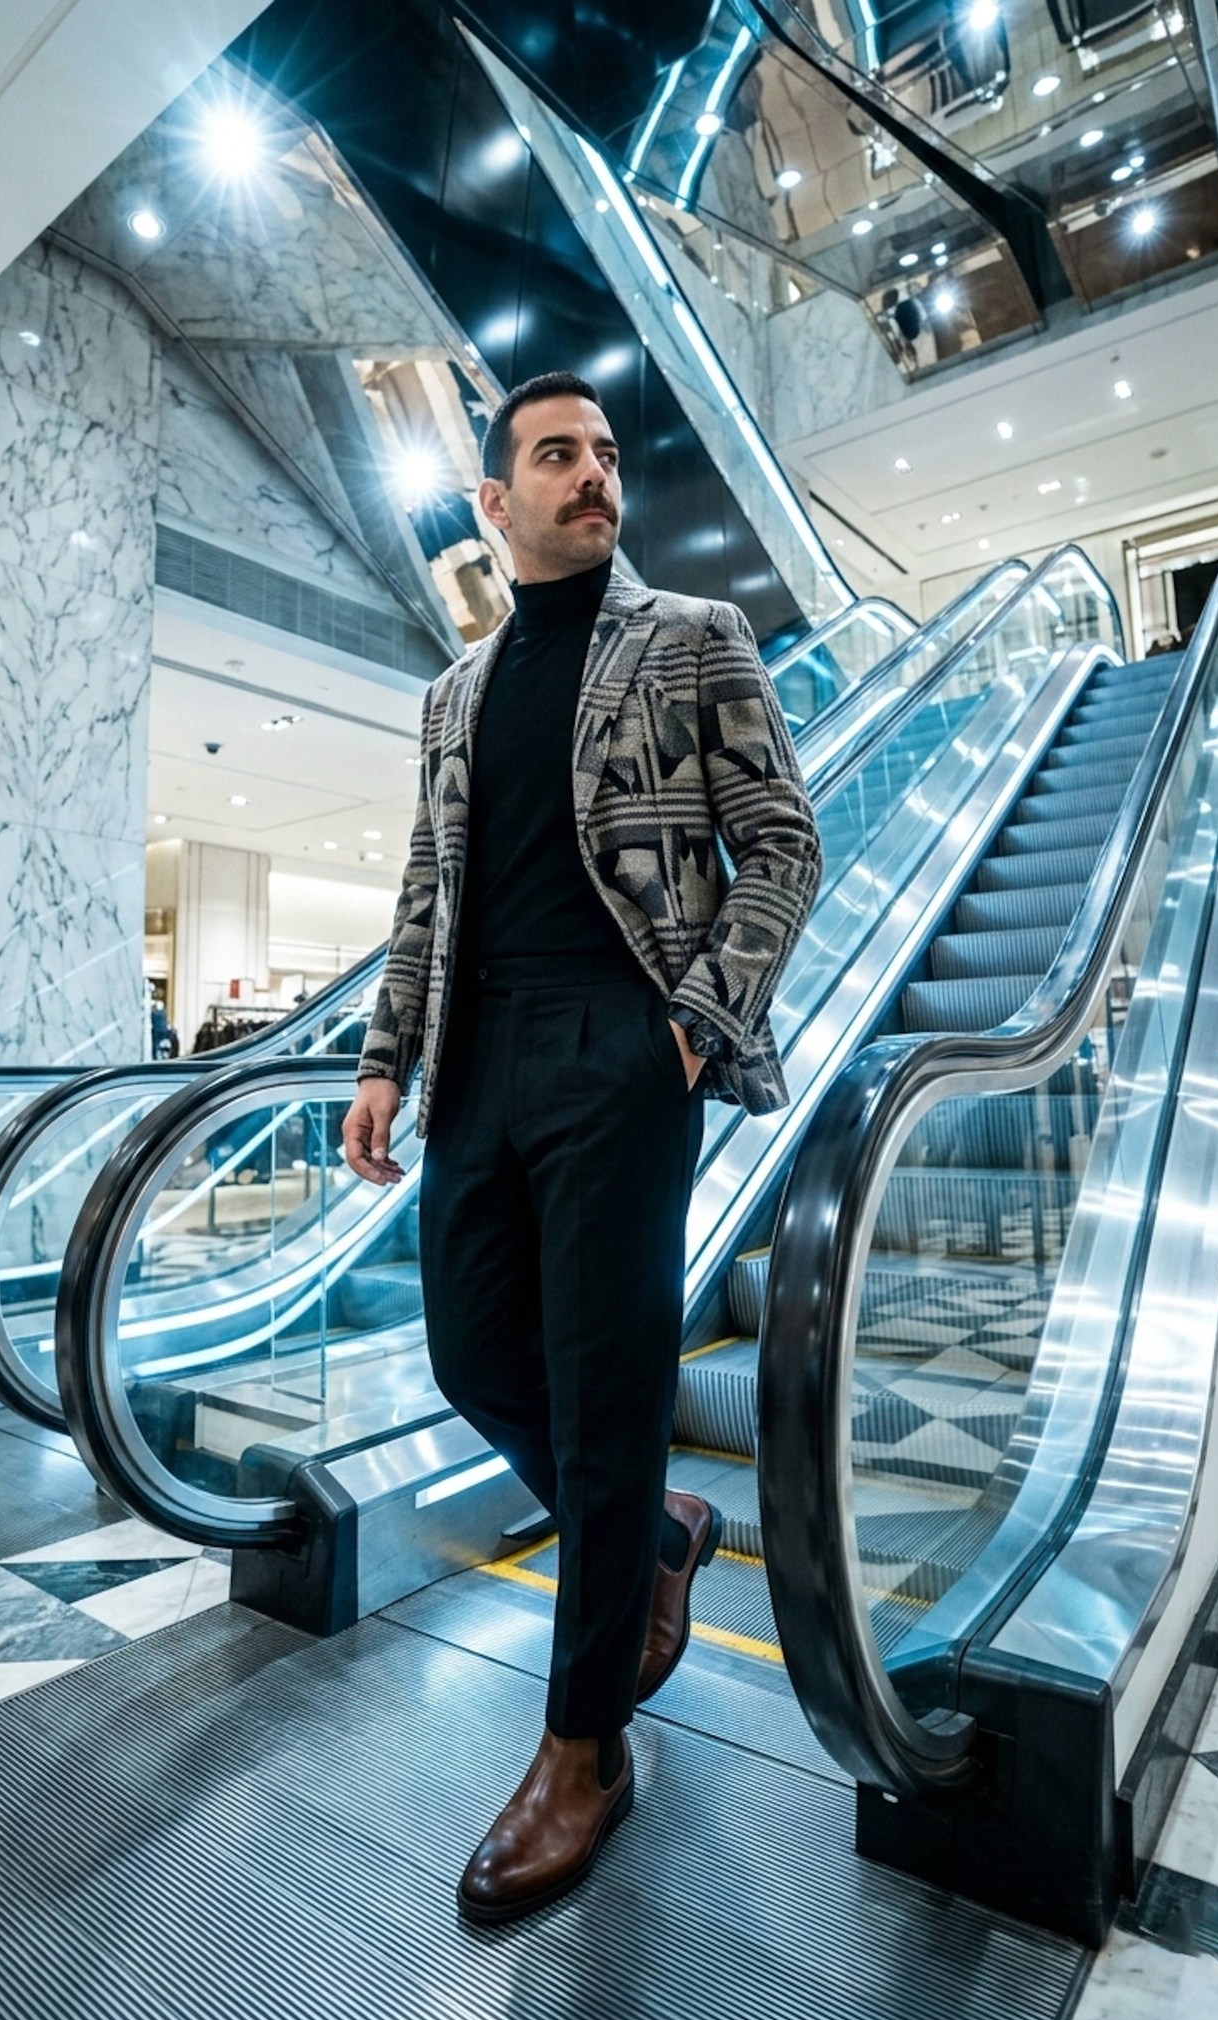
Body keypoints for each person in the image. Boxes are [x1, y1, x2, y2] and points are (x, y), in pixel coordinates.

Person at [342, 371, 822, 1924]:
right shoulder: (453, 689)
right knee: (476, 1358)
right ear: (495, 502)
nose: (591, 475)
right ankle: (661, 1532)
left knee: (607, 1397)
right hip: (479, 1061)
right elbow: (426, 894)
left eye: (604, 454)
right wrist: (384, 1062)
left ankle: (583, 1751)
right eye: (555, 456)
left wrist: (684, 1030)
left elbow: (785, 843)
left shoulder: (691, 638)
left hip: (621, 1050)